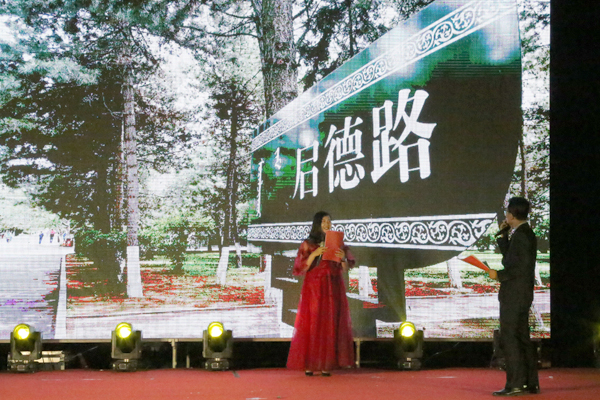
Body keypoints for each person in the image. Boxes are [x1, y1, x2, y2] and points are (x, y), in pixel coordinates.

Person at [287, 211, 355, 376]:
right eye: (323, 221)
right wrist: (315, 254)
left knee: (329, 322)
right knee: (313, 322)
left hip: (333, 285)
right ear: (317, 224)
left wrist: (343, 258)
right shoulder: (308, 243)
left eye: (329, 221)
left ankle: (326, 363)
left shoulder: (338, 243)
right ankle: (310, 364)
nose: (327, 224)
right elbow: (299, 267)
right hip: (314, 286)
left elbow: (346, 267)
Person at [488, 197, 539, 396]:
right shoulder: (522, 233)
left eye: (508, 212)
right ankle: (529, 382)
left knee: (510, 337)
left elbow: (519, 267)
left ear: (512, 214)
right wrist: (503, 236)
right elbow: (510, 259)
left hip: (515, 294)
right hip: (521, 293)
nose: (506, 215)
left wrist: (498, 275)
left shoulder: (522, 236)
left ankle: (515, 383)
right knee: (521, 337)